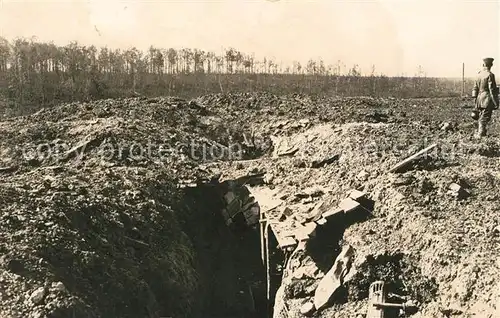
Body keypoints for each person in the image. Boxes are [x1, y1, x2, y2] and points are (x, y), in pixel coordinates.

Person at [472, 57, 499, 137]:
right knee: (485, 117)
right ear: (491, 65)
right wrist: (495, 102)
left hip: (479, 99)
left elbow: (475, 89)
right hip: (487, 99)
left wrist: (475, 101)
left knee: (481, 116)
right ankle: (480, 134)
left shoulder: (478, 75)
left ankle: (482, 133)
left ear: (483, 64)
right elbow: (492, 90)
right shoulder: (490, 75)